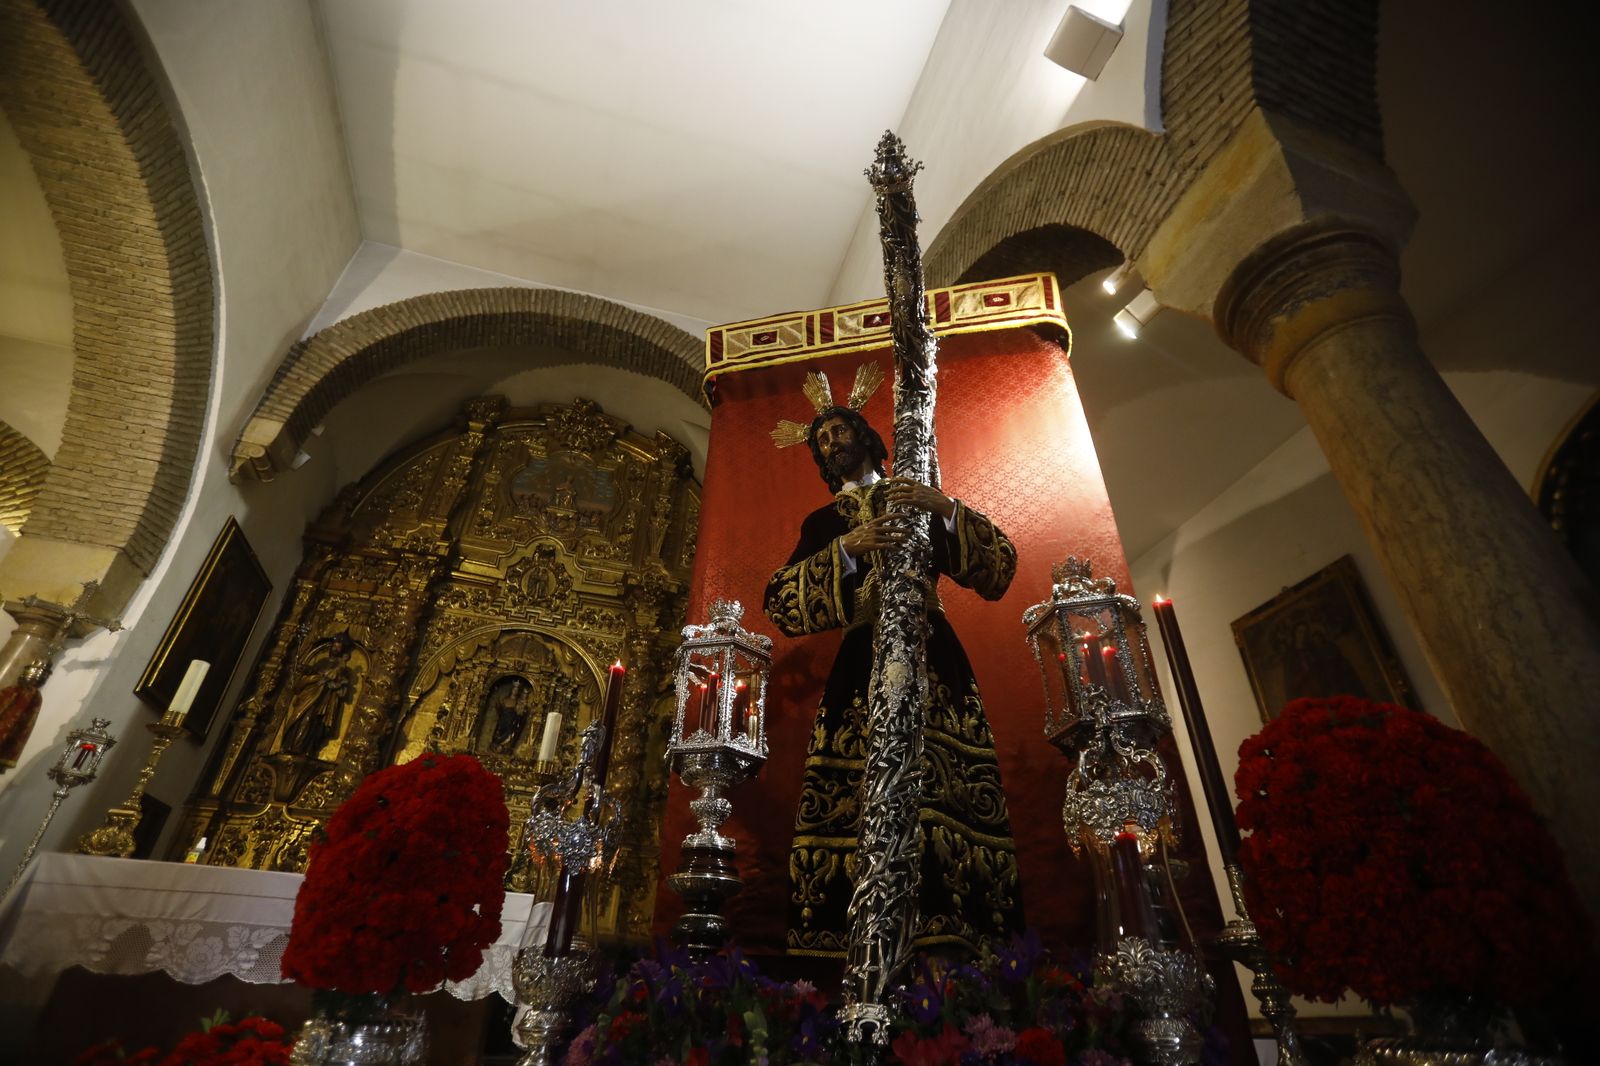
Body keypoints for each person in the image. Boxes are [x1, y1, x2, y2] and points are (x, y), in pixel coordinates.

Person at [765, 403, 1025, 960]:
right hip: (860, 663)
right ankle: (857, 952)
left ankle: (953, 948)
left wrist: (946, 507)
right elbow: (781, 601)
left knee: (940, 790)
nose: (832, 442)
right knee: (857, 796)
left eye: (839, 431)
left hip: (935, 660)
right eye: (822, 439)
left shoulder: (915, 494)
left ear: (864, 435)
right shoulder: (824, 522)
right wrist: (847, 549)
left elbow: (999, 568)